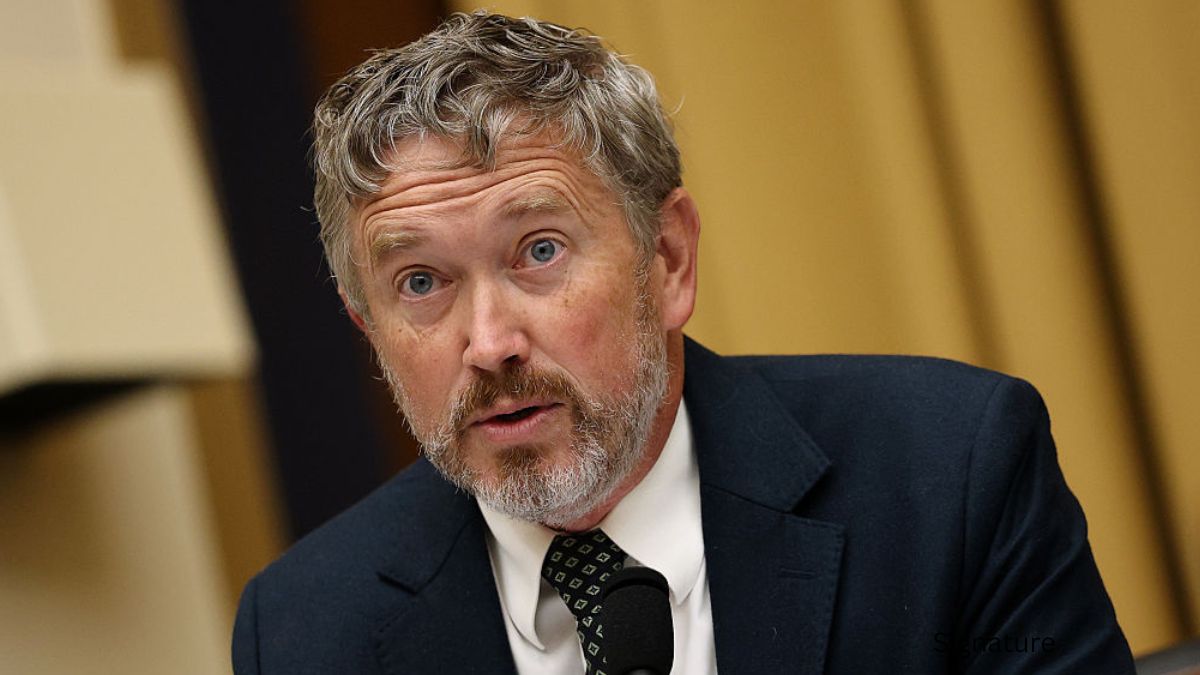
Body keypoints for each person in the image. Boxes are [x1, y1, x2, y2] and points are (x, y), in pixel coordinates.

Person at [233, 11, 1134, 674]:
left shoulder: (949, 471)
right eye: (420, 283)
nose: (490, 343)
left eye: (539, 251)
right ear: (370, 329)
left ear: (667, 260)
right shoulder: (308, 630)